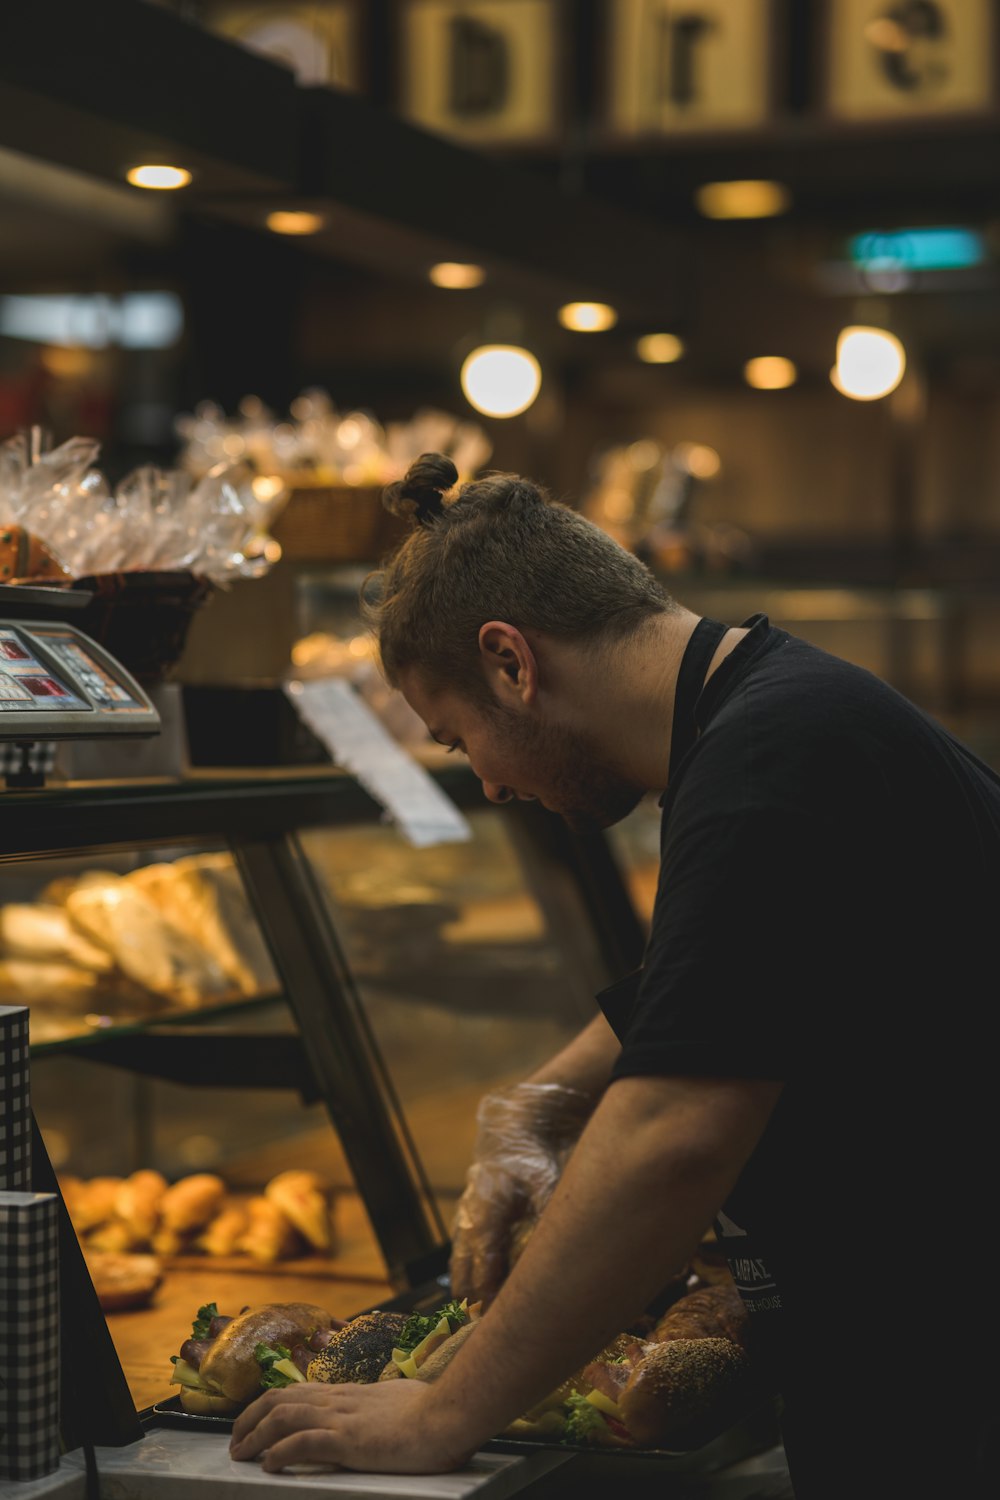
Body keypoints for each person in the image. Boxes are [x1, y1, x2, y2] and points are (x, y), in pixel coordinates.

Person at [231, 453, 998, 1497]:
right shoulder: (773, 715)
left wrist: (443, 1415)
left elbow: (674, 1138)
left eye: (461, 742)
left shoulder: (765, 762)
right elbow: (728, 976)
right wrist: (541, 1095)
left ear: (511, 661)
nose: (492, 785)